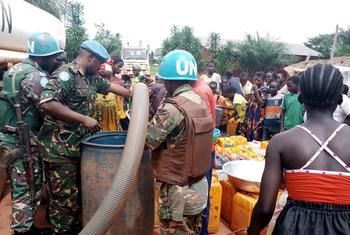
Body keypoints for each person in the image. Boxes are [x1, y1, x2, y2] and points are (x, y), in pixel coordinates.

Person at [38, 40, 131, 234]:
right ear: (89, 57)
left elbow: (115, 89)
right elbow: (47, 102)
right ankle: (61, 231)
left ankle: (75, 228)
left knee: (75, 196)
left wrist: (136, 92)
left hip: (77, 147)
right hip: (59, 150)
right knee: (63, 199)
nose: (100, 68)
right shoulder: (66, 74)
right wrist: (83, 119)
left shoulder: (91, 78)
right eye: (98, 63)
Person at [248, 63, 350, 235]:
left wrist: (251, 232)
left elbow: (265, 208)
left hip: (294, 227)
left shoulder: (281, 142)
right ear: (340, 99)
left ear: (301, 97)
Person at [0, 32, 63, 235]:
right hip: (23, 140)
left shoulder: (14, 70)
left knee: (23, 185)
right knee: (26, 188)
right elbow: (47, 106)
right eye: (53, 56)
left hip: (9, 137)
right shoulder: (36, 76)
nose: (54, 60)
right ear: (44, 56)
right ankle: (22, 229)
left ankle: (28, 225)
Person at [146, 50, 213, 234]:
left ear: (168, 81)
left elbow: (147, 141)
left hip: (178, 194)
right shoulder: (201, 101)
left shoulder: (172, 108)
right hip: (199, 189)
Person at [191, 79, 216, 235]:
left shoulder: (198, 92)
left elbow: (200, 127)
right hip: (204, 149)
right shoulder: (201, 87)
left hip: (200, 151)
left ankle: (201, 232)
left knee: (199, 197)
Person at [92, 61, 122, 131]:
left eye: (108, 77)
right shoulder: (92, 91)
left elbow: (119, 109)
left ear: (111, 77)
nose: (105, 80)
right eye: (102, 77)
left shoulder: (114, 92)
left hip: (112, 128)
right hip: (97, 127)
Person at [242, 72, 266, 141]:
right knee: (248, 131)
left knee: (256, 133)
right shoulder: (253, 88)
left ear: (263, 80)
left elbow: (262, 103)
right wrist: (247, 104)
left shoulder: (264, 89)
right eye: (256, 76)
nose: (256, 78)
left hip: (258, 115)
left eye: (259, 77)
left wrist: (256, 91)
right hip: (251, 113)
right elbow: (252, 101)